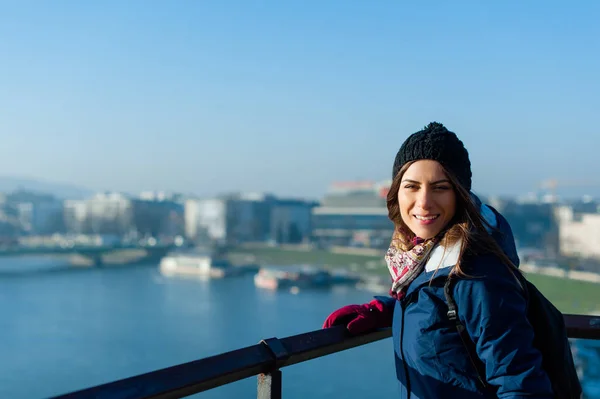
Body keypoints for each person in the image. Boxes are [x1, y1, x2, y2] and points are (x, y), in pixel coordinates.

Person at [322, 122, 554, 398]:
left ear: (460, 195)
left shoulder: (478, 275)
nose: (424, 202)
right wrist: (386, 310)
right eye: (412, 186)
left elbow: (521, 385)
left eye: (440, 187)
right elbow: (437, 311)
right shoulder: (423, 259)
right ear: (397, 192)